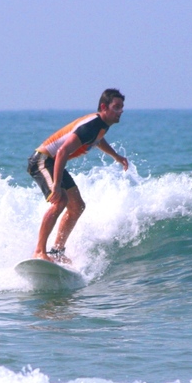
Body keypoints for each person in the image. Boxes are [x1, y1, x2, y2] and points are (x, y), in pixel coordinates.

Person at [27, 88, 128, 263]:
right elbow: (62, 151)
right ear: (104, 107)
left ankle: (56, 251)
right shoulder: (92, 125)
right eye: (116, 107)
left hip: (54, 162)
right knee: (61, 200)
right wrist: (57, 185)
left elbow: (98, 140)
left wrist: (116, 156)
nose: (121, 111)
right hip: (43, 161)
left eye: (122, 107)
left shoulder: (101, 126)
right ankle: (39, 251)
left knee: (77, 206)